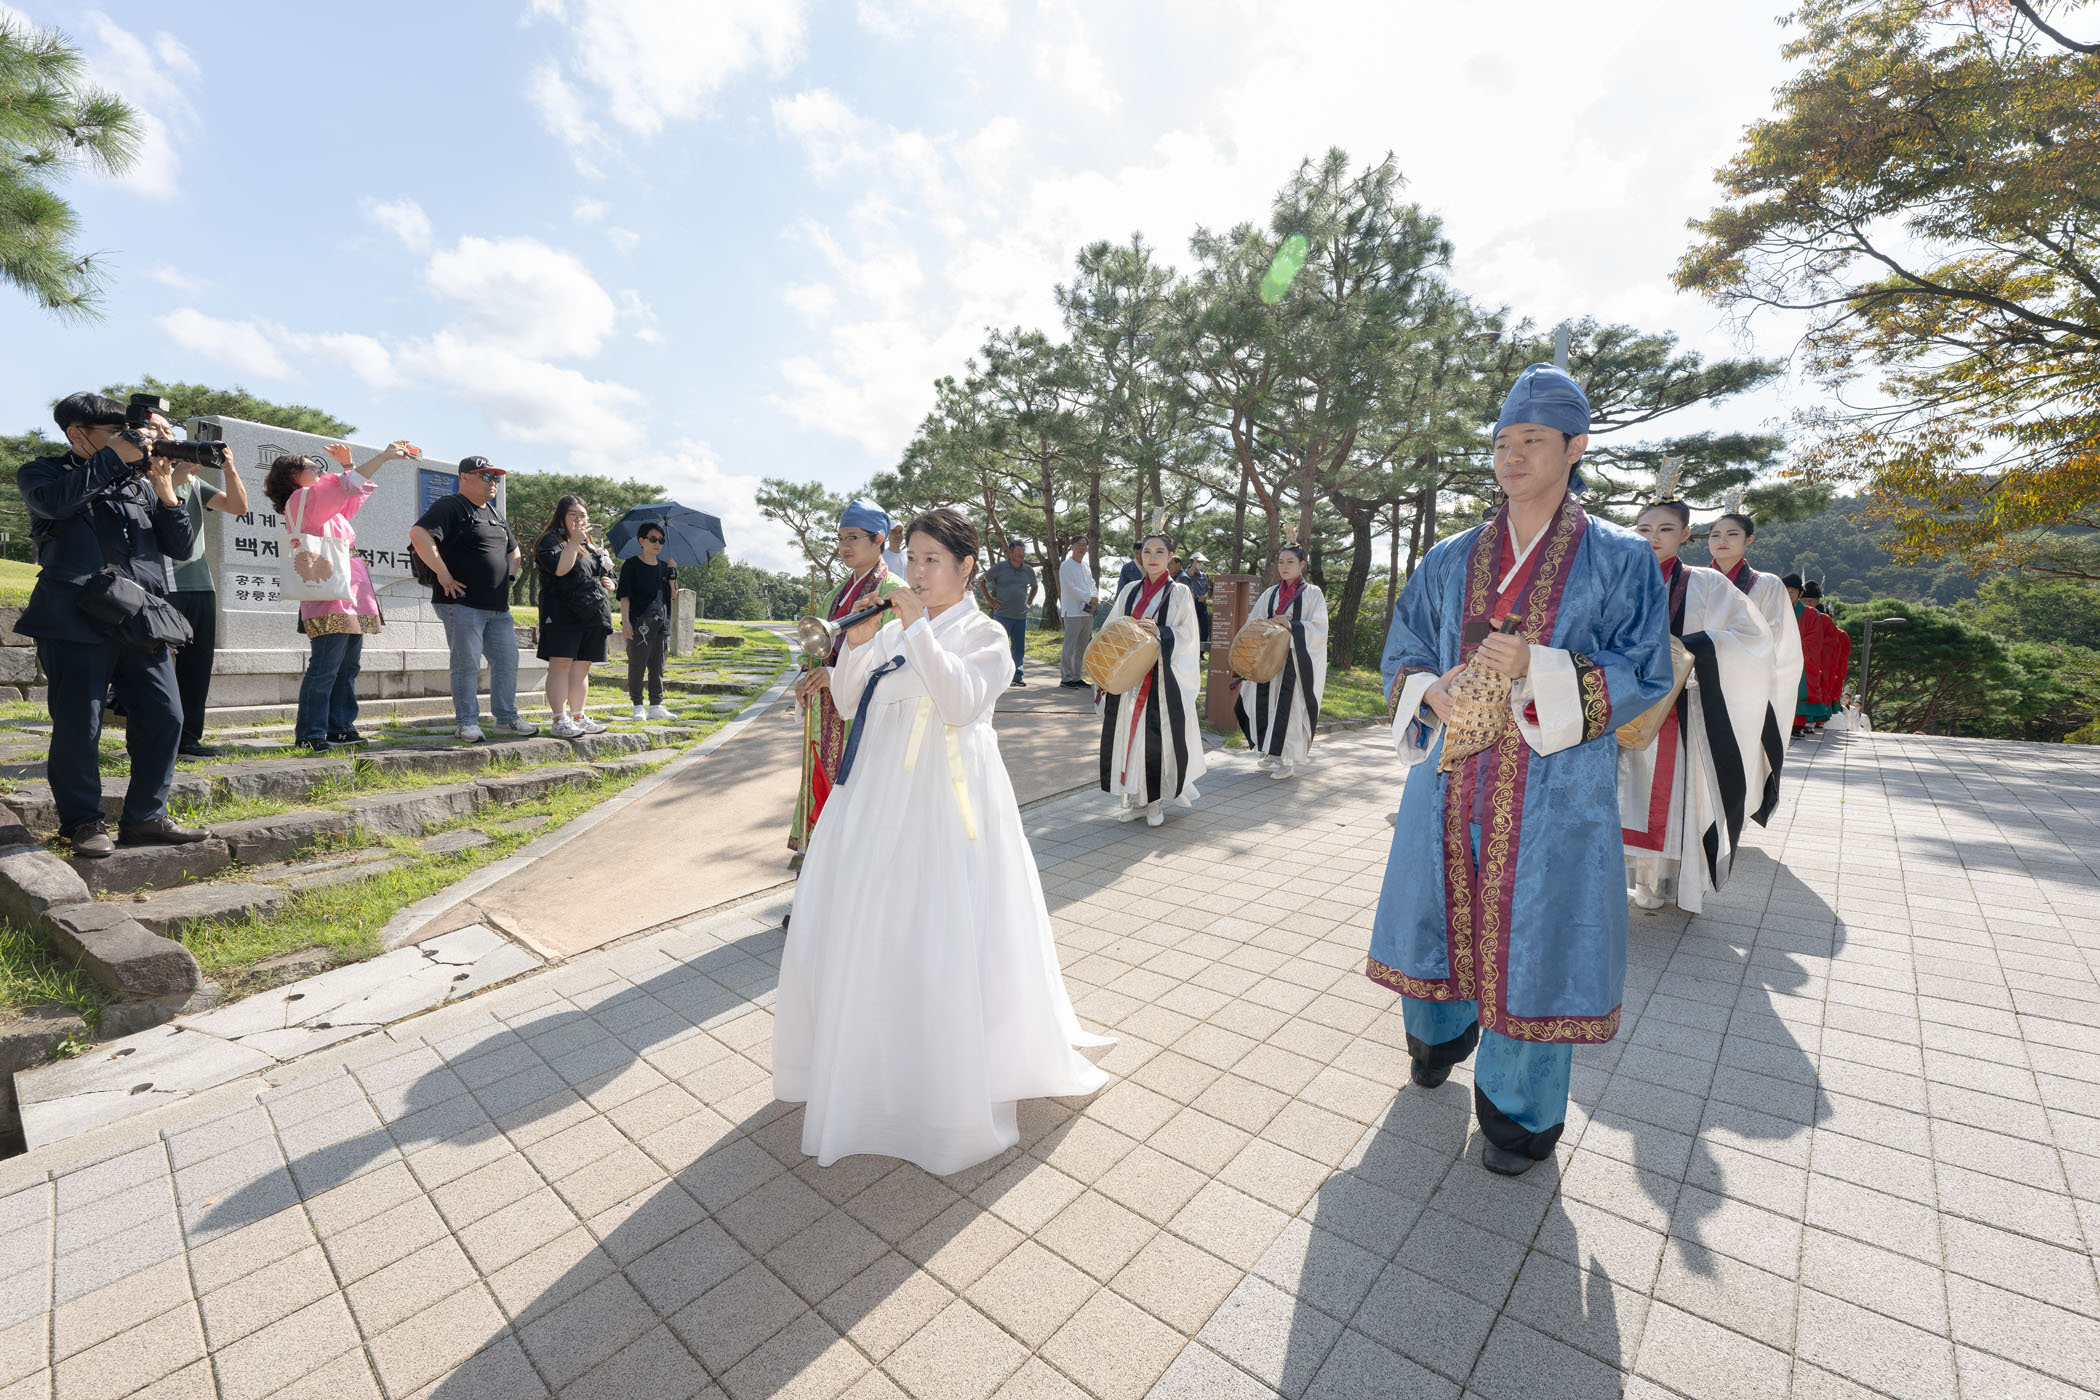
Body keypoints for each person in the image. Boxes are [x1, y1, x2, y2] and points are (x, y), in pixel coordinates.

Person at [1370, 363, 1672, 1176]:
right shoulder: (1449, 558)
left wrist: (1542, 666)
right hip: (1448, 779)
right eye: (1504, 441)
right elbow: (1404, 647)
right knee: (1437, 912)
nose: (1512, 455)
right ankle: (1436, 1041)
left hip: (1554, 792)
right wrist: (1427, 690)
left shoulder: (1619, 559)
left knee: (1535, 937)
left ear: (1576, 448)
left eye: (1532, 440)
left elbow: (1645, 667)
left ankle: (1518, 1115)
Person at [774, 506, 1109, 1173]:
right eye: (915, 559)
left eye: (933, 560)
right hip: (878, 790)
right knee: (874, 922)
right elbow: (848, 700)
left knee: (943, 924)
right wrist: (859, 643)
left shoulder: (986, 634)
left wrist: (915, 629)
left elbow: (959, 703)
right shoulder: (895, 625)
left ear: (965, 567)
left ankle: (949, 1071)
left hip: (949, 798)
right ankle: (873, 1061)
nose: (919, 573)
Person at [15, 392, 209, 857]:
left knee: (166, 716)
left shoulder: (138, 482)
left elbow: (180, 548)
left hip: (140, 618)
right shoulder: (43, 473)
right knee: (79, 725)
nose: (133, 438)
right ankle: (82, 823)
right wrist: (112, 459)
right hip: (74, 617)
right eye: (117, 432)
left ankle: (146, 818)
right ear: (76, 433)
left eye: (131, 431)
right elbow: (56, 505)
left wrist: (166, 493)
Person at [1620, 500, 1776, 913]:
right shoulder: (1616, 576)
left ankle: (1658, 879)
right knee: (1619, 790)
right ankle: (1615, 875)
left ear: (1686, 534)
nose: (1653, 538)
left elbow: (1753, 636)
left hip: (1679, 704)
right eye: (1644, 530)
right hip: (1618, 700)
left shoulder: (1706, 583)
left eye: (1666, 529)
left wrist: (1693, 647)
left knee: (1666, 797)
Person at [268, 440, 417, 752]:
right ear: (292, 476)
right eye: (312, 467)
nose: (319, 471)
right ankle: (310, 733)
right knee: (326, 666)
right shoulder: (301, 498)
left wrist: (349, 467)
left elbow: (351, 494)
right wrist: (382, 457)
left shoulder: (319, 503)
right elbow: (344, 488)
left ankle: (340, 728)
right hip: (327, 592)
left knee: (347, 666)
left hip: (348, 589)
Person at [790, 499, 909, 858]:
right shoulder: (833, 595)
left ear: (879, 539)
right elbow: (815, 652)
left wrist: (834, 674)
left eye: (853, 537)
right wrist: (805, 678)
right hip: (824, 715)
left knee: (859, 798)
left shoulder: (892, 593)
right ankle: (816, 866)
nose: (844, 546)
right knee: (821, 787)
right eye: (840, 538)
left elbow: (894, 663)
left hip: (865, 718)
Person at [410, 456, 536, 743]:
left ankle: (506, 719)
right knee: (466, 664)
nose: (493, 482)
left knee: (507, 661)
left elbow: (514, 551)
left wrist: (509, 577)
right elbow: (419, 533)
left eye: (496, 477)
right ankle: (466, 722)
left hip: (497, 607)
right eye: (485, 476)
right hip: (461, 603)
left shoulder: (494, 513)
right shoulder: (450, 505)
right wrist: (442, 573)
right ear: (464, 477)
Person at [148, 408, 249, 758]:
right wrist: (178, 472)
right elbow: (154, 503)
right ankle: (155, 738)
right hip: (162, 584)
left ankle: (189, 738)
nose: (167, 435)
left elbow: (237, 506)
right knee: (157, 666)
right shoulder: (140, 474)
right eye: (157, 429)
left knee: (197, 666)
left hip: (201, 584)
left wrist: (229, 467)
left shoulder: (193, 481)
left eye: (169, 429)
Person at [1099, 530, 1205, 827]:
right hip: (1130, 679)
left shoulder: (1180, 592)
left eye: (1160, 552)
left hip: (1161, 681)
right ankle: (1136, 800)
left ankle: (1155, 801)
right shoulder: (1129, 590)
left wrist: (1161, 632)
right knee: (1130, 739)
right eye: (1147, 552)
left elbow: (1189, 636)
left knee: (1156, 740)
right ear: (1140, 556)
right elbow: (1111, 629)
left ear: (1170, 557)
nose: (1153, 558)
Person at [1704, 509, 1802, 822]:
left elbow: (1772, 638)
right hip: (1697, 680)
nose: (1722, 541)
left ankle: (1730, 818)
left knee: (1740, 750)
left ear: (1749, 540)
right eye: (1715, 535)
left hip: (1745, 686)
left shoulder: (1766, 584)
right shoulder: (1695, 580)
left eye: (1732, 534)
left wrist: (1722, 649)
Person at [1233, 543, 1329, 779]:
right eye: (1281, 562)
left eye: (1290, 562)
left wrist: (1291, 625)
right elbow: (1253, 622)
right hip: (1268, 660)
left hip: (1295, 662)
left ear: (1302, 565)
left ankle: (1287, 761)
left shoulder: (1312, 593)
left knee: (1290, 710)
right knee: (1264, 704)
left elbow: (1319, 628)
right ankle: (1270, 750)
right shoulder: (1270, 593)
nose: (1285, 567)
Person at [534, 494, 615, 738]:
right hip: (562, 613)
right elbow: (560, 570)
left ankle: (578, 716)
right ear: (561, 517)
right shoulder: (550, 540)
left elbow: (604, 573)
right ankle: (560, 719)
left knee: (582, 667)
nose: (580, 520)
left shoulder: (591, 545)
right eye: (573, 515)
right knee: (561, 664)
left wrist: (609, 581)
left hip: (592, 612)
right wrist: (573, 542)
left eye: (583, 515)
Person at [618, 522, 679, 720]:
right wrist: (626, 622)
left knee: (658, 666)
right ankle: (638, 705)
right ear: (641, 540)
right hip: (639, 624)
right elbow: (624, 596)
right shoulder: (631, 565)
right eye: (653, 539)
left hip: (661, 624)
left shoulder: (664, 567)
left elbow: (673, 595)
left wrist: (673, 573)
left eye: (661, 540)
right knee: (637, 665)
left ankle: (656, 705)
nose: (657, 543)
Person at [979, 538, 1037, 686]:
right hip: (1003, 615)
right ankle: (997, 676)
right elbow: (982, 581)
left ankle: (1017, 676)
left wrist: (1029, 602)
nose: (1021, 555)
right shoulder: (1000, 567)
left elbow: (1035, 586)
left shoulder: (1028, 570)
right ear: (1010, 552)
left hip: (1020, 616)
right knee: (1000, 646)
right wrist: (990, 600)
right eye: (1018, 551)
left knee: (1019, 648)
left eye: (1023, 552)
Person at [1056, 534, 1095, 687]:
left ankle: (1076, 676)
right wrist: (1089, 598)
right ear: (1072, 547)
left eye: (1084, 545)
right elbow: (1071, 588)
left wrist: (1095, 598)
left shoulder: (1085, 566)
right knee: (1070, 647)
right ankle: (1066, 678)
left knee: (1082, 647)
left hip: (1087, 612)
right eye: (1078, 545)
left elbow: (1092, 584)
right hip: (1072, 612)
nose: (1081, 548)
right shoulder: (1066, 565)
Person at [1186, 552, 1214, 654]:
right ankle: (1191, 651)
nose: (1200, 564)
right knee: (1192, 627)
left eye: (1201, 562)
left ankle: (1201, 653)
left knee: (1204, 627)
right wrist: (1194, 562)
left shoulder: (1204, 575)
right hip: (1193, 603)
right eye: (1199, 562)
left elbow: (1207, 589)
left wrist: (1204, 596)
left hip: (1202, 603)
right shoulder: (1189, 572)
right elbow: (1190, 574)